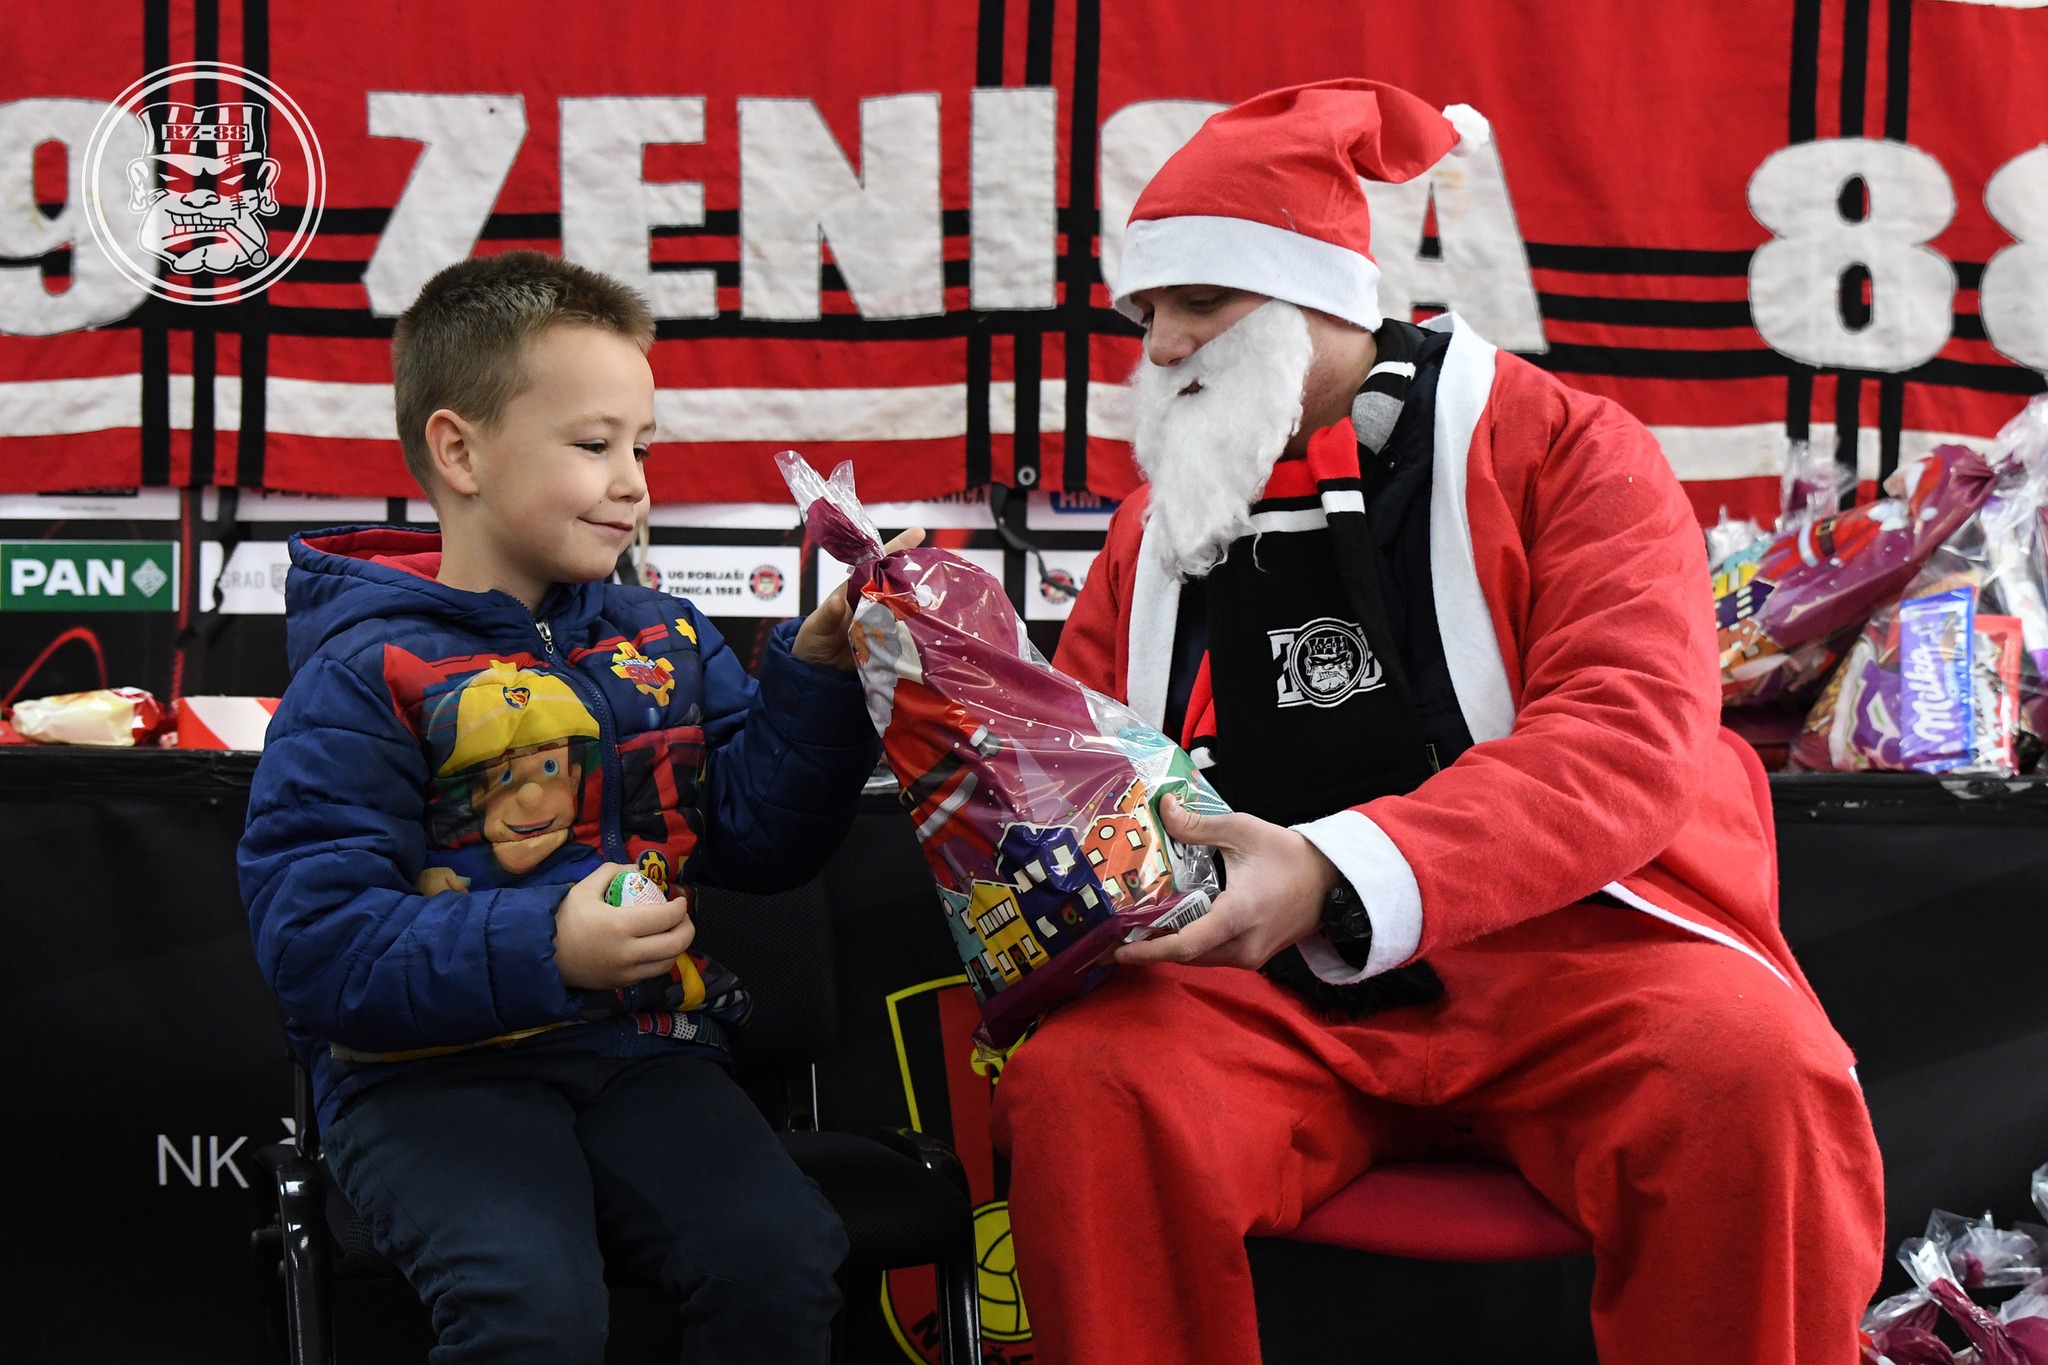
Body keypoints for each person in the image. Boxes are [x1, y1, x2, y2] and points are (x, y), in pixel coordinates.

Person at [991, 80, 1884, 1364]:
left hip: (1575, 959)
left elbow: (1624, 741)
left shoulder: (1569, 451)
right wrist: (939, 680)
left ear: (1320, 299)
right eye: (1146, 316)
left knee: (1752, 1078)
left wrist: (1329, 870)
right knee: (1086, 1088)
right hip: (1263, 987)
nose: (1164, 347)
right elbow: (1088, 767)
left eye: (1200, 303)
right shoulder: (1155, 525)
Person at [238, 250, 919, 1364]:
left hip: (648, 1056)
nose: (634, 482)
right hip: (426, 1082)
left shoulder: (666, 638)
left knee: (782, 1257)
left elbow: (760, 841)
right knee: (531, 1307)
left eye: (642, 447)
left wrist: (818, 675)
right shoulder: (362, 674)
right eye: (594, 445)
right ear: (459, 450)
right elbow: (318, 947)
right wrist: (547, 943)